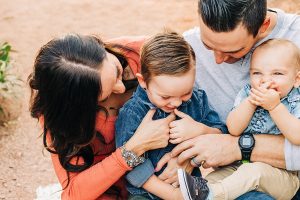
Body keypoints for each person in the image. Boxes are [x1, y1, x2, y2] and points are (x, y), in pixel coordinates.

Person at [168, 0, 300, 199]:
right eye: (208, 45)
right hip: (237, 174)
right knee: (212, 182)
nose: (218, 60)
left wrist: (239, 146)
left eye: (234, 51)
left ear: (263, 25)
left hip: (285, 179)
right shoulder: (188, 49)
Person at [28, 34, 177, 199]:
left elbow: (192, 98)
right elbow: (74, 194)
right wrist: (132, 150)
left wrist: (184, 157)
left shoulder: (141, 52)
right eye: (104, 97)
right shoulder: (60, 117)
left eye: (118, 71)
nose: (120, 88)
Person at [115, 31, 227, 199]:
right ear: (143, 81)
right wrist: (173, 195)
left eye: (185, 93)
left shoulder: (198, 99)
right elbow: (131, 165)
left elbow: (221, 133)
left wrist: (201, 130)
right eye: (165, 96)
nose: (176, 103)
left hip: (189, 186)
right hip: (147, 193)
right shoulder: (133, 112)